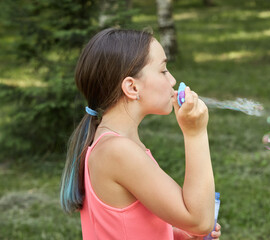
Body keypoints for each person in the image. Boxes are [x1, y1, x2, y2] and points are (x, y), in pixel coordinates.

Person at [60, 28, 221, 240]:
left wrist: (177, 235)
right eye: (163, 70)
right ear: (132, 87)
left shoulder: (111, 143)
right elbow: (200, 221)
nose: (172, 80)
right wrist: (195, 134)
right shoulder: (118, 151)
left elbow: (125, 226)